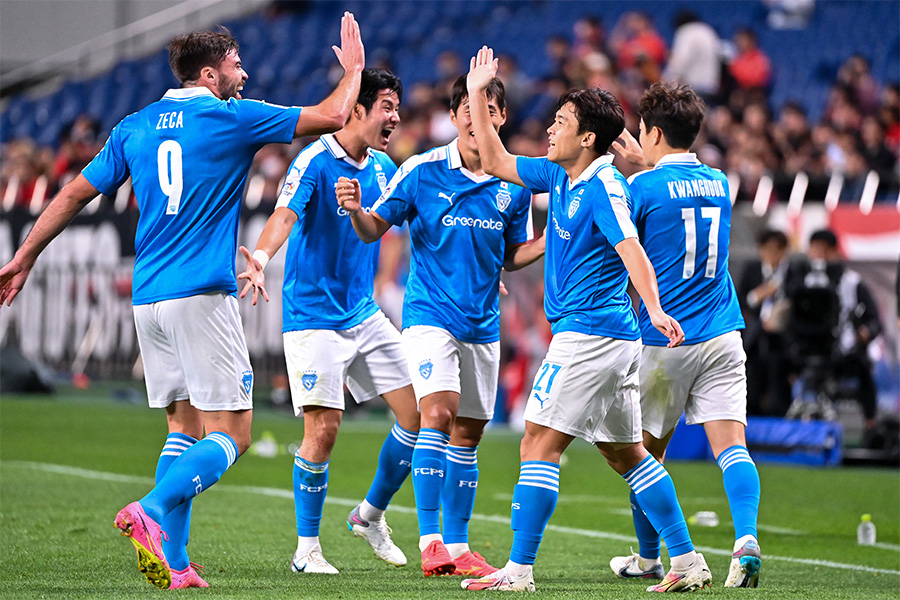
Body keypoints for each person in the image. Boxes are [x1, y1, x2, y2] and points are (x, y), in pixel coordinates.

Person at [0, 14, 365, 590]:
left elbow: (72, 193)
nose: (243, 76)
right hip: (200, 295)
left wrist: (25, 255)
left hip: (148, 300)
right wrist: (355, 71)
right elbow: (337, 116)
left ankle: (176, 563)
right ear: (209, 73)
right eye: (236, 66)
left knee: (184, 428)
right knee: (235, 433)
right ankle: (148, 508)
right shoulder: (230, 117)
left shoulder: (135, 126)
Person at [461, 47, 709, 594]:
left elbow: (631, 249)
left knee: (536, 443)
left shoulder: (604, 185)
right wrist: (479, 92)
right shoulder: (560, 176)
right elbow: (499, 161)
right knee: (627, 454)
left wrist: (658, 307)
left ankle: (519, 571)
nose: (550, 129)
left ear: (589, 138)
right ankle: (689, 561)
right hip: (606, 338)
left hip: (591, 335)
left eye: (561, 122)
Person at [334, 72, 544, 578]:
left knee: (469, 433)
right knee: (439, 414)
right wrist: (357, 211)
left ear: (502, 118)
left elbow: (513, 255)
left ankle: (458, 543)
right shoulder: (422, 171)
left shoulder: (515, 183)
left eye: (489, 109)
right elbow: (373, 229)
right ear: (454, 117)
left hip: (483, 324)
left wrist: (554, 244)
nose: (478, 118)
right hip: (430, 317)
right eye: (468, 109)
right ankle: (430, 540)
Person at [236, 68, 419, 574]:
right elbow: (285, 214)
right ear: (357, 109)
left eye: (398, 107)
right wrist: (262, 258)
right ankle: (307, 550)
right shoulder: (314, 159)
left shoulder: (384, 167)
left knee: (420, 417)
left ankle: (369, 515)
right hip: (313, 318)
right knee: (325, 430)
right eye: (386, 106)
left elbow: (403, 226)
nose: (395, 117)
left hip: (362, 313)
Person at [609, 81, 762, 589]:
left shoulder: (641, 188)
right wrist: (648, 164)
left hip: (665, 339)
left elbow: (625, 247)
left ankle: (652, 559)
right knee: (732, 447)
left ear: (651, 131)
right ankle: (744, 541)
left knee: (644, 458)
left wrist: (637, 170)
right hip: (722, 333)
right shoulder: (719, 181)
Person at [785, 229, 882, 430]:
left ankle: (870, 424)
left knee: (863, 369)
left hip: (843, 352)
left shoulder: (851, 282)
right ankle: (775, 424)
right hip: (803, 349)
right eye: (814, 248)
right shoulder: (799, 281)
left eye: (824, 250)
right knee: (775, 362)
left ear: (834, 251)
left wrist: (865, 332)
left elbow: (874, 320)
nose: (818, 255)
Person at [738, 229, 792, 416]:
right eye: (768, 249)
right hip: (753, 337)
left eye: (778, 249)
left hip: (781, 339)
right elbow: (740, 300)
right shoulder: (751, 270)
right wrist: (758, 295)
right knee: (752, 380)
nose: (773, 254)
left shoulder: (792, 273)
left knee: (778, 381)